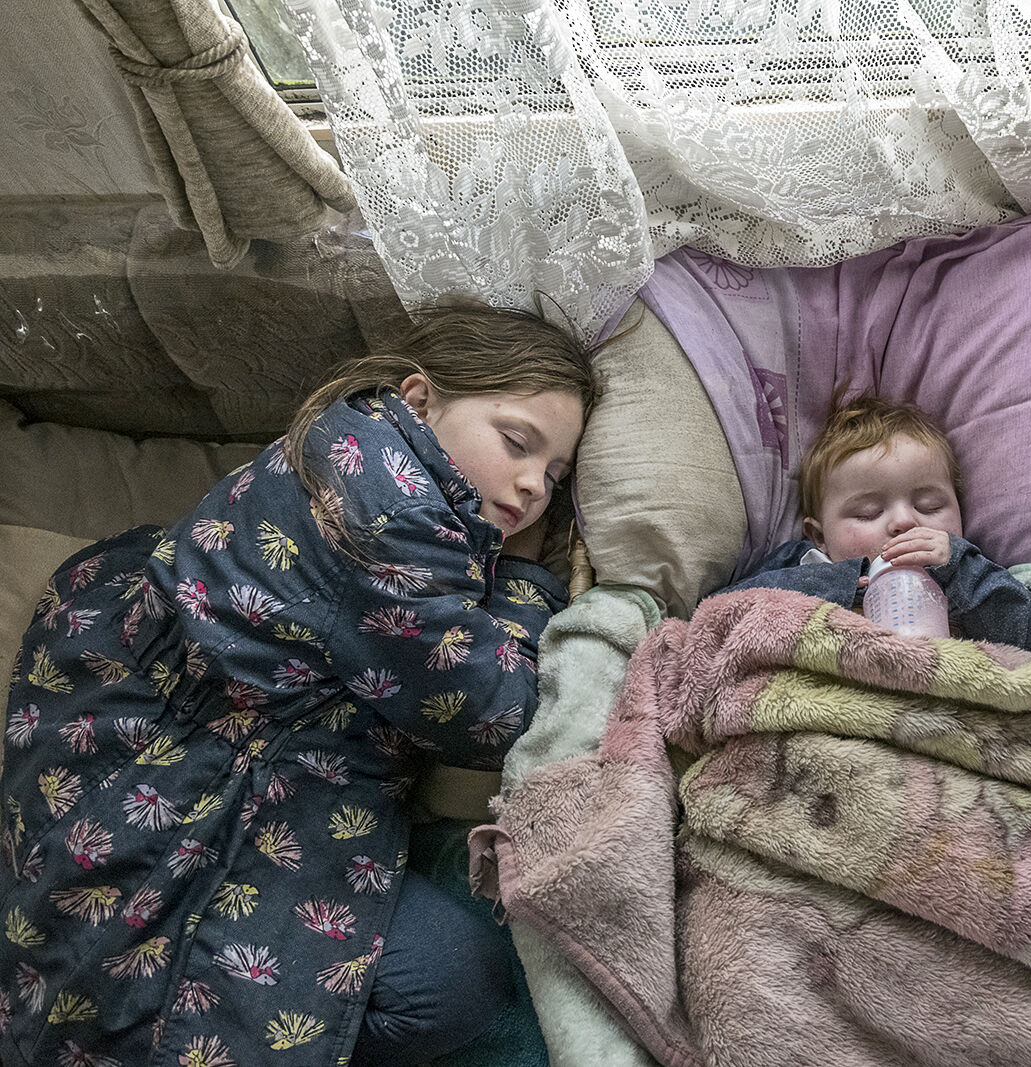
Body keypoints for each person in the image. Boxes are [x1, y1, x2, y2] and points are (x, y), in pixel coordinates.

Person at [0, 299, 594, 1067]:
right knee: (447, 991)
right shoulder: (389, 518)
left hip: (160, 695)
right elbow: (496, 711)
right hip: (196, 777)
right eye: (516, 442)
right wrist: (523, 581)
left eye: (554, 474)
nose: (533, 486)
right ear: (419, 398)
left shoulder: (342, 440)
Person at [721, 395, 1031, 652]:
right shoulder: (805, 565)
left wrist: (962, 569)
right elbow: (720, 618)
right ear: (819, 536)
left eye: (929, 506)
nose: (904, 521)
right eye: (868, 512)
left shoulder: (969, 574)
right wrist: (841, 584)